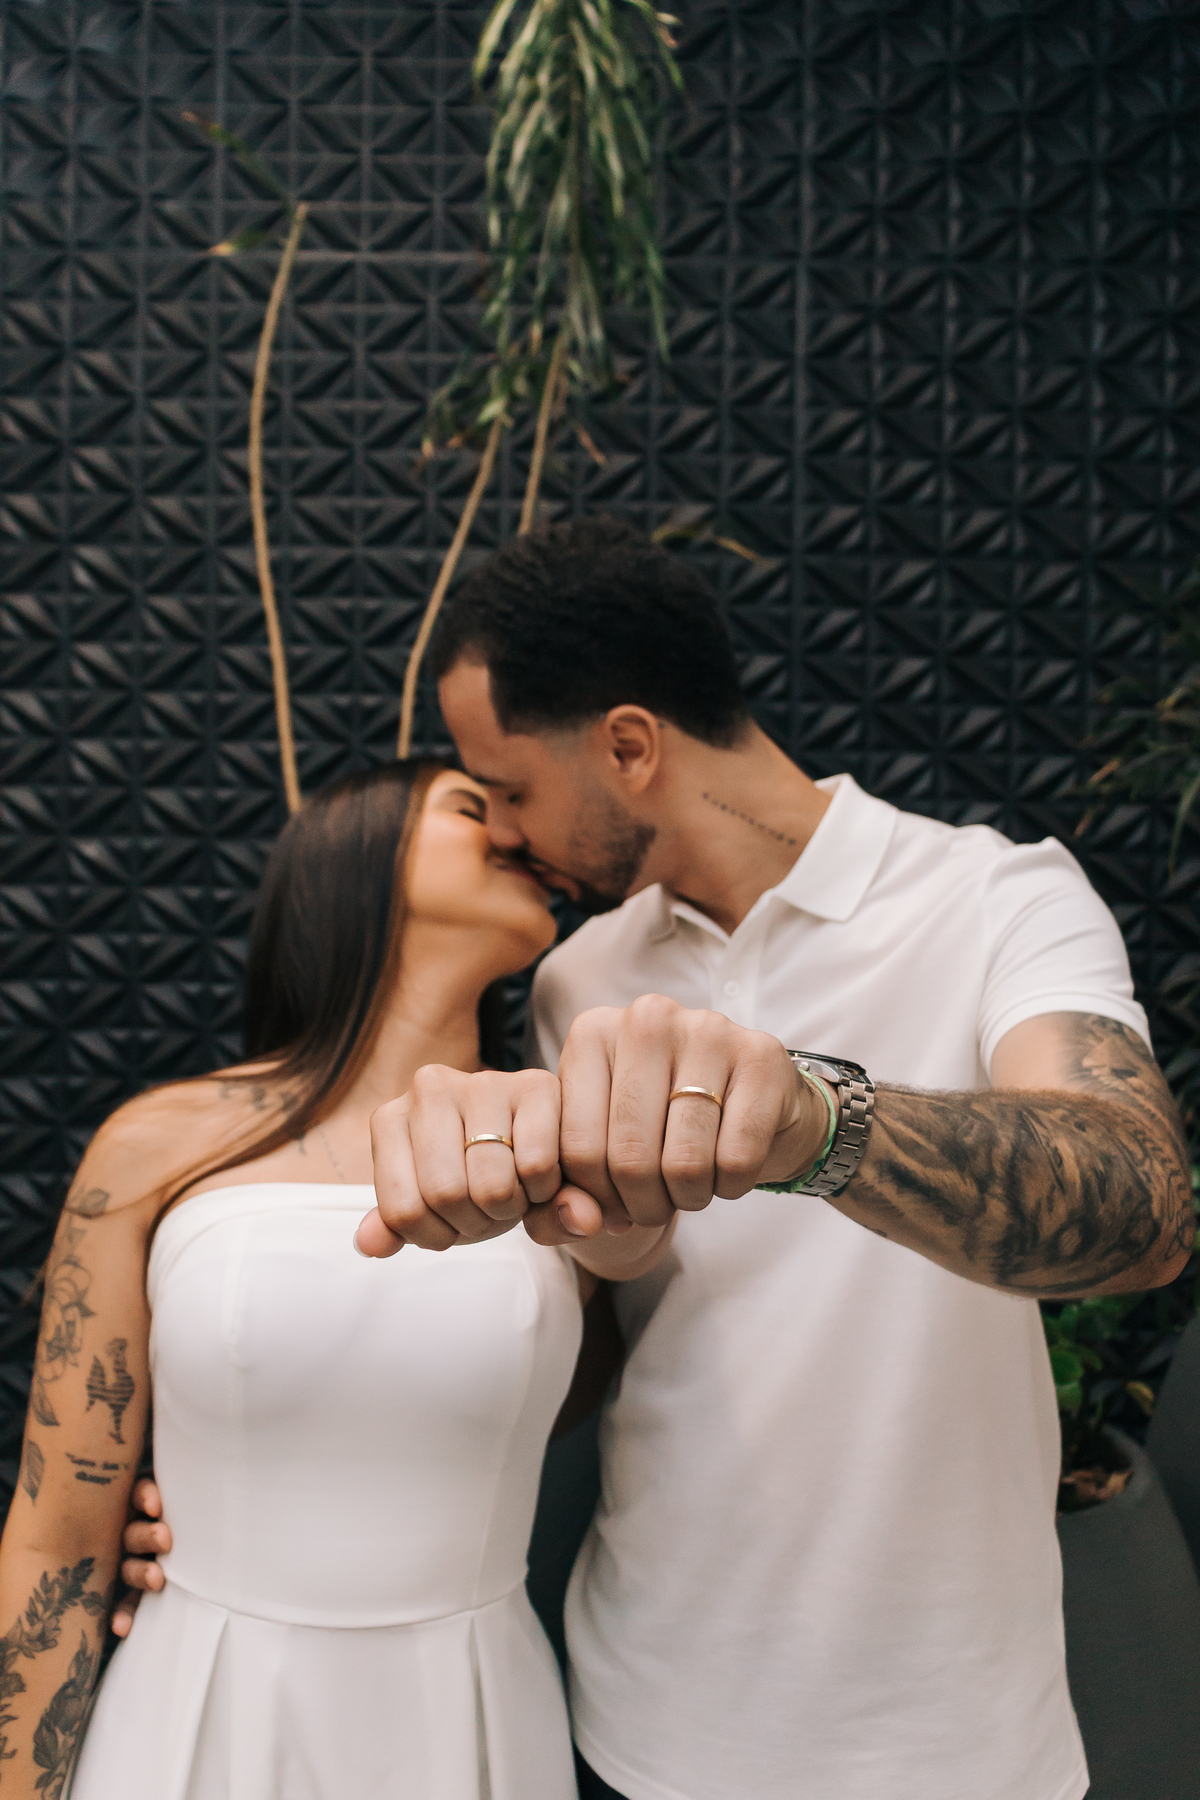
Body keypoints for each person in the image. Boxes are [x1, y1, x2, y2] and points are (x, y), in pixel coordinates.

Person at [118, 517, 1192, 1800]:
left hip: (947, 1733)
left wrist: (817, 1122)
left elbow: (1142, 1211)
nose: (504, 832)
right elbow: (583, 1347)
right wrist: (259, 1499)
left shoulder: (998, 899)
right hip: (632, 1715)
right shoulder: (578, 979)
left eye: (508, 789)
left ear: (629, 747)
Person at [0, 759, 667, 1800]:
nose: (515, 834)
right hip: (197, 1706)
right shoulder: (156, 1143)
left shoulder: (559, 1146)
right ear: (354, 853)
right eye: (472, 807)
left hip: (476, 1713)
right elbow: (57, 1544)